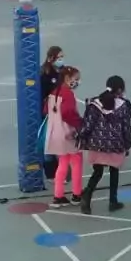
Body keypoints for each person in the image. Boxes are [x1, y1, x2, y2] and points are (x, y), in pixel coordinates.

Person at [76, 75, 131, 215]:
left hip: (97, 144)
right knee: (114, 171)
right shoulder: (124, 106)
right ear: (120, 89)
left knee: (97, 172)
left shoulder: (95, 103)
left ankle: (87, 196)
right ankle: (113, 201)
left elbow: (88, 125)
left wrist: (81, 138)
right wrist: (127, 144)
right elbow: (126, 127)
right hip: (116, 144)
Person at [44, 64, 84, 206]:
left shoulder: (53, 93)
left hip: (55, 133)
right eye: (76, 79)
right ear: (67, 78)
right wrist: (80, 123)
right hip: (67, 134)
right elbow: (68, 113)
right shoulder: (68, 94)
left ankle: (58, 195)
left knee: (62, 164)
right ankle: (77, 194)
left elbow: (45, 110)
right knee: (77, 162)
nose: (78, 82)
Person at [39, 46, 66, 182]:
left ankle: (62, 170)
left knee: (61, 140)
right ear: (51, 58)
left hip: (61, 110)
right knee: (48, 142)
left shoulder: (62, 72)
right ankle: (50, 172)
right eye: (59, 57)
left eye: (62, 57)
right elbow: (42, 95)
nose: (61, 60)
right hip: (49, 112)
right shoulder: (45, 74)